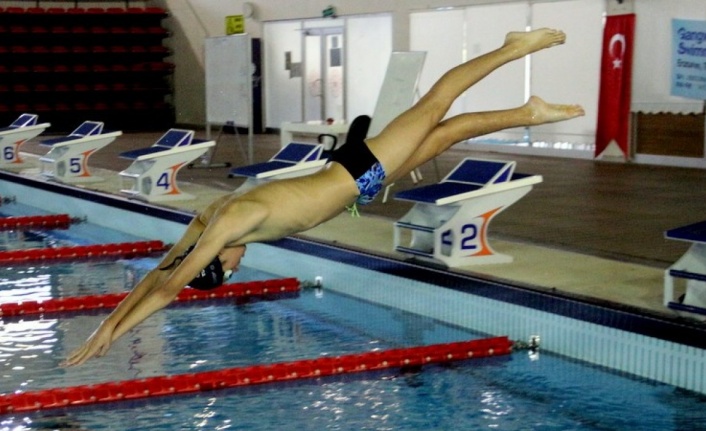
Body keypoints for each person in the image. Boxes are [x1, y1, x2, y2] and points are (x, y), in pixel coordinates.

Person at [63, 28, 584, 366]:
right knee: (447, 132)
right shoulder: (207, 222)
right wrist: (112, 320)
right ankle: (527, 112)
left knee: (436, 106)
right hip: (358, 177)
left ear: (216, 259)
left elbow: (168, 285)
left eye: (229, 269)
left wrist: (112, 329)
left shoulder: (227, 226)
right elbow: (162, 272)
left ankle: (513, 47)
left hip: (359, 170)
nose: (239, 267)